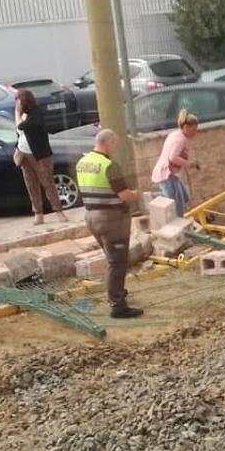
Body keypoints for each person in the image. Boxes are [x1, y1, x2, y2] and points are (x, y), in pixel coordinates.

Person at [76, 129, 143, 319]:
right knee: (117, 262)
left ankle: (118, 292)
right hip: (112, 219)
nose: (115, 149)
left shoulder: (83, 163)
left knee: (111, 258)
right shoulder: (109, 166)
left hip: (91, 216)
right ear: (109, 142)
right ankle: (117, 305)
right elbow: (124, 195)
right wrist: (137, 194)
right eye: (115, 144)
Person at [14, 89, 70, 226]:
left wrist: (16, 113)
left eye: (18, 100)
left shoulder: (36, 114)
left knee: (47, 182)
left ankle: (59, 211)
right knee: (31, 184)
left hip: (40, 155)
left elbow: (21, 127)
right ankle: (38, 213)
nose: (16, 103)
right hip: (24, 153)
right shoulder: (23, 115)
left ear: (25, 101)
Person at [150, 109, 200, 217]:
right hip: (167, 174)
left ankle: (159, 197)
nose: (195, 132)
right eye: (194, 129)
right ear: (186, 127)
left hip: (171, 173)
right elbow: (173, 157)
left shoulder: (177, 135)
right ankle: (179, 222)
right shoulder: (180, 139)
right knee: (178, 203)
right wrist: (188, 164)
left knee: (185, 196)